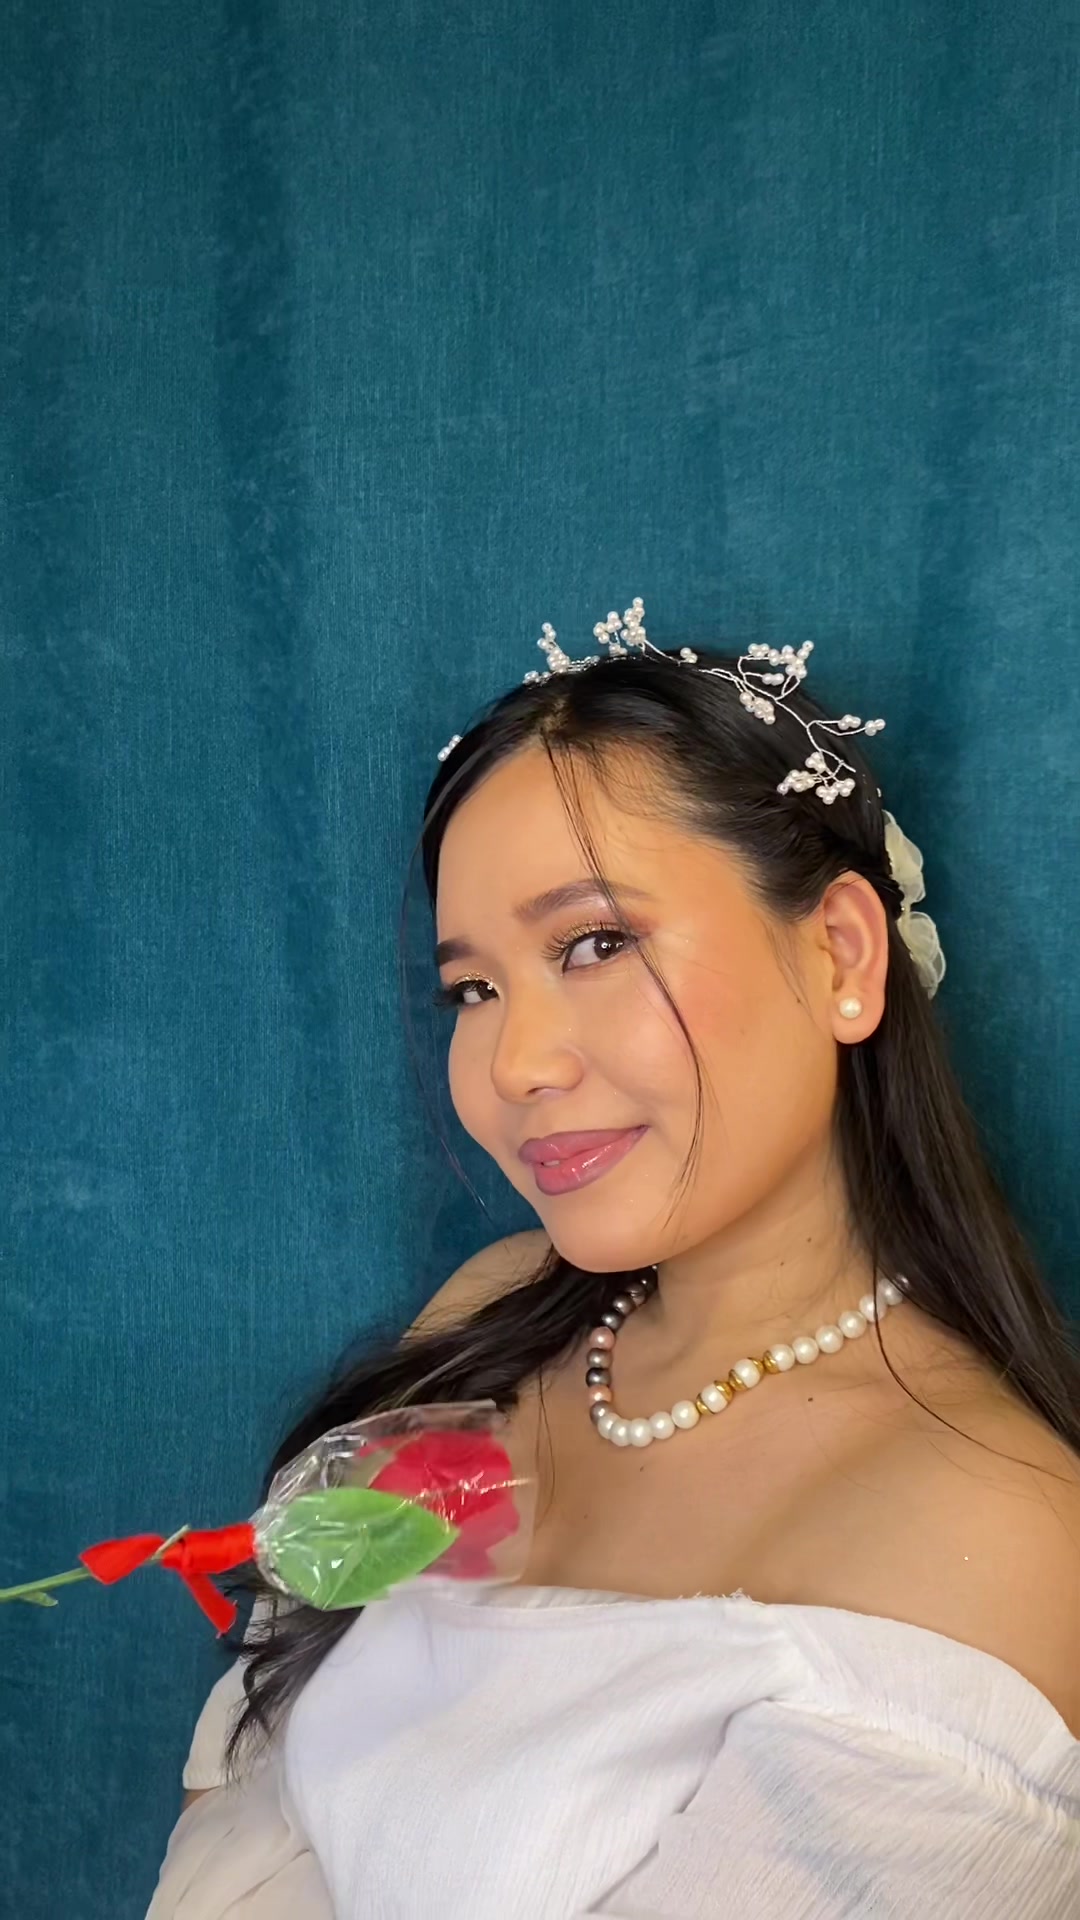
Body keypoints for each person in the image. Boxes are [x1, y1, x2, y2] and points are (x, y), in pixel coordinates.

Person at [148, 603, 1080, 1918]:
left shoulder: (990, 1535)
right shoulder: (495, 1318)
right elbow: (253, 1782)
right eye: (473, 989)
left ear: (841, 955)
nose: (515, 1064)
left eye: (595, 944)